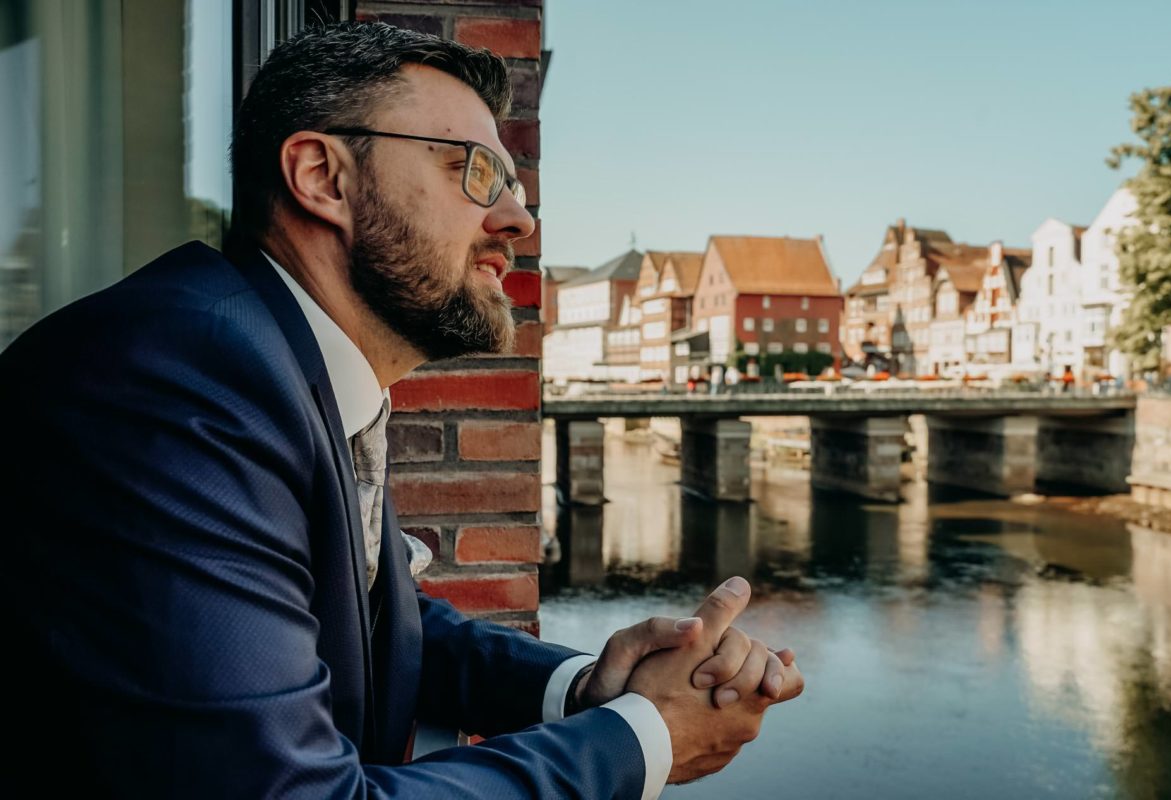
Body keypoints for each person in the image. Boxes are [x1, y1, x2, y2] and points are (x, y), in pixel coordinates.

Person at [0, 22, 802, 799]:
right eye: (476, 172)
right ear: (322, 176)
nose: (519, 221)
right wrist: (646, 737)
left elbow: (382, 620)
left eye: (515, 189)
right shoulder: (177, 382)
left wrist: (585, 687)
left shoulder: (279, 364)